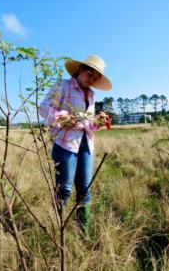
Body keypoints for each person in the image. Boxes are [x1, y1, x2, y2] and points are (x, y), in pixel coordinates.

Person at [39, 54, 112, 236]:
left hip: (86, 144)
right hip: (65, 144)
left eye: (96, 78)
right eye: (90, 74)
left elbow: (87, 124)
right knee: (64, 189)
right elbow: (43, 107)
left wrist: (97, 122)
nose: (92, 80)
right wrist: (61, 118)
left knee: (85, 188)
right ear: (80, 70)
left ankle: (83, 233)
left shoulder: (92, 95)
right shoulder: (62, 86)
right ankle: (59, 232)